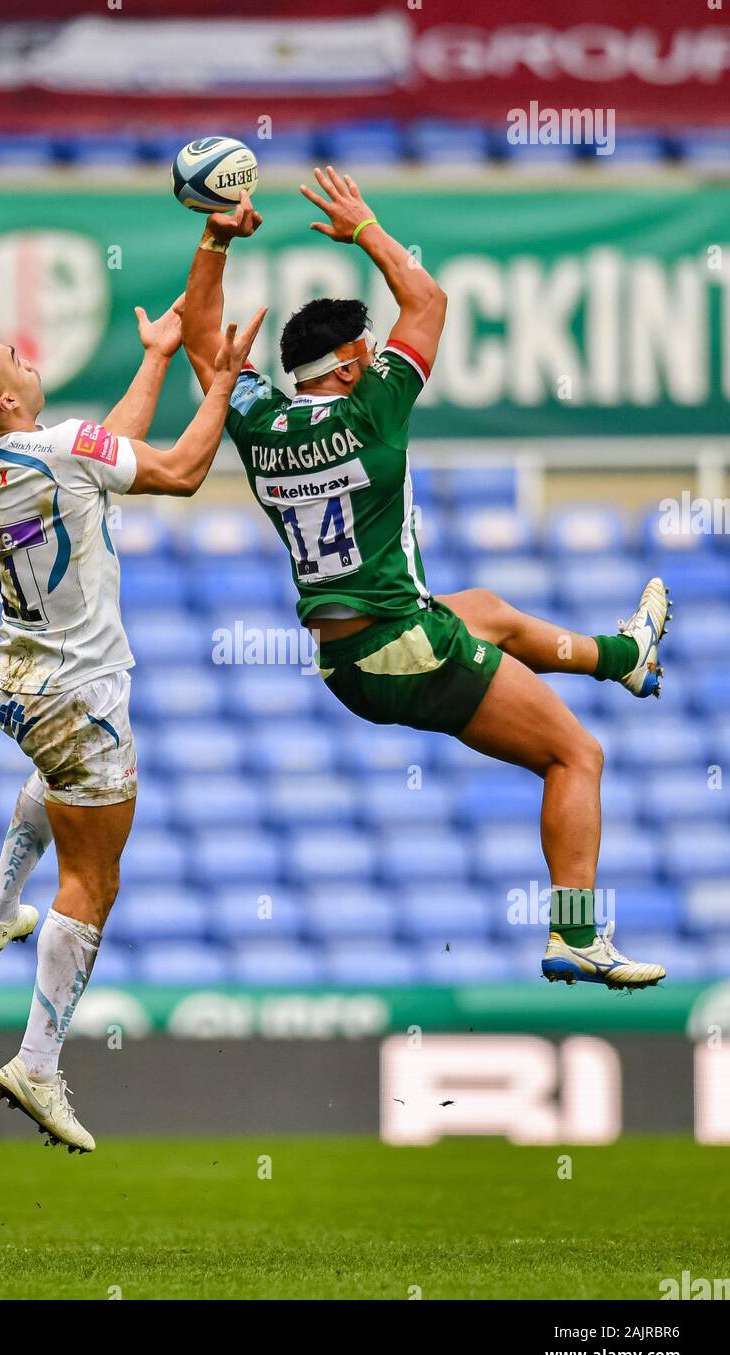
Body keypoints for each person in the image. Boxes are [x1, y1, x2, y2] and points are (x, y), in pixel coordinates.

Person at [181, 169, 671, 993]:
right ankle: (577, 933)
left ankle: (622, 656)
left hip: (346, 665)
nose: (376, 356)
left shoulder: (256, 419)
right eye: (365, 351)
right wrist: (367, 228)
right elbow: (430, 303)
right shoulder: (371, 408)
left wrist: (216, 239)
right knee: (576, 755)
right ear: (346, 366)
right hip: (403, 643)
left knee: (484, 611)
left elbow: (202, 343)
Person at [0, 296, 266, 1152]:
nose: (28, 353)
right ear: (10, 399)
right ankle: (37, 1064)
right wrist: (222, 382)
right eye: (16, 354)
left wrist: (158, 357)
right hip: (81, 698)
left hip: (17, 680)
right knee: (95, 880)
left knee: (58, 788)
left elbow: (103, 455)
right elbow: (183, 472)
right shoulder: (59, 447)